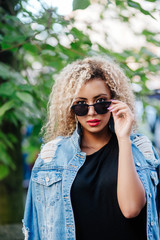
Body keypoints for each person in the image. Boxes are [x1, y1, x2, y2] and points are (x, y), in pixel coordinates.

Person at [22, 56, 160, 240]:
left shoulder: (139, 150)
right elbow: (36, 228)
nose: (92, 112)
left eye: (101, 102)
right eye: (81, 105)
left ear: (115, 101)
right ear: (70, 108)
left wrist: (124, 138)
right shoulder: (52, 158)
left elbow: (131, 209)